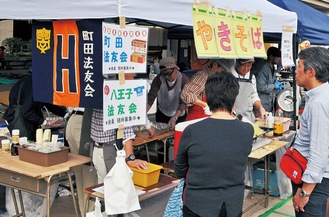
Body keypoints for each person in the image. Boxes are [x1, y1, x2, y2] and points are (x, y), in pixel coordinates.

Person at [175, 71, 254, 217]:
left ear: (208, 98)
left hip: (198, 204)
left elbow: (179, 169)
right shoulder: (247, 130)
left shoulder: (192, 131)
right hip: (232, 205)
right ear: (234, 98)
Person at [291, 47, 329, 216]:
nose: (295, 70)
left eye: (299, 66)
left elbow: (319, 152)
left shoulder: (318, 104)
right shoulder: (321, 96)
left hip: (313, 183)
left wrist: (305, 192)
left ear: (310, 72)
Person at [3, 75, 66, 140]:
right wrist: (46, 122)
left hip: (28, 114)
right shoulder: (34, 86)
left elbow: (47, 103)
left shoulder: (40, 82)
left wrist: (65, 114)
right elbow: (26, 112)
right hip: (20, 117)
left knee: (34, 140)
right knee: (25, 142)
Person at [65, 107, 97, 216]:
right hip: (85, 121)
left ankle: (84, 213)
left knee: (80, 173)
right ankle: (90, 213)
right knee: (90, 173)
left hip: (73, 120)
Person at [147, 57, 189, 130]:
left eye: (168, 74)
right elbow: (150, 98)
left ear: (175, 69)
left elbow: (183, 102)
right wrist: (142, 116)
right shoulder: (158, 79)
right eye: (164, 74)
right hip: (162, 113)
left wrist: (174, 118)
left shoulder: (184, 80)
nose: (166, 77)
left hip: (179, 115)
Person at [256, 47, 285, 112]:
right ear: (271, 57)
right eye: (278, 57)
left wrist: (278, 87)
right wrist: (274, 86)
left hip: (270, 102)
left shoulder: (272, 68)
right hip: (262, 103)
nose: (279, 59)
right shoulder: (263, 69)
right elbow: (260, 87)